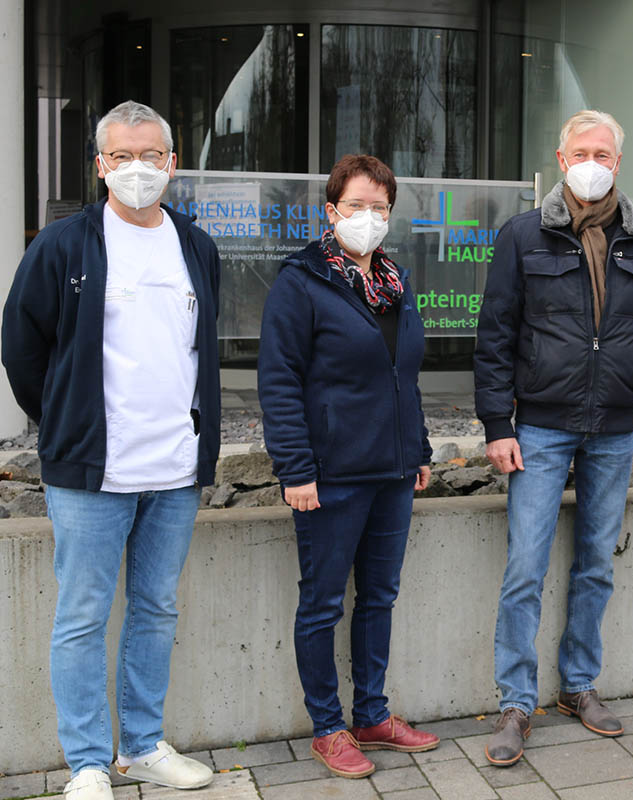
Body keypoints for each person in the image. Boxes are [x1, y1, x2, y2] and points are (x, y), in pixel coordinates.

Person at [1, 100, 219, 800]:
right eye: (120, 157)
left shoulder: (195, 245)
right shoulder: (64, 245)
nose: (136, 169)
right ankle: (89, 762)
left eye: (149, 155)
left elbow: (199, 352)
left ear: (171, 163)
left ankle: (144, 745)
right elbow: (21, 344)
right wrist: (65, 421)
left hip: (176, 471)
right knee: (83, 616)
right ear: (100, 166)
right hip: (92, 471)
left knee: (156, 609)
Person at [474, 109, 633, 766]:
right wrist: (497, 425)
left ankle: (580, 685)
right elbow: (495, 337)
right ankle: (515, 700)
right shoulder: (521, 236)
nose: (593, 162)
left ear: (618, 163)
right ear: (561, 161)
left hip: (616, 428)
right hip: (539, 426)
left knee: (595, 564)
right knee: (525, 569)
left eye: (605, 153)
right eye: (581, 151)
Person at [258, 154, 439, 780]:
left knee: (380, 598)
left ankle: (372, 714)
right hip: (330, 476)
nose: (369, 218)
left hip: (392, 474)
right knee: (322, 604)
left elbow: (405, 377)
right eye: (356, 206)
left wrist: (417, 450)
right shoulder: (301, 281)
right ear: (329, 211)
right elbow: (279, 382)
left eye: (380, 208)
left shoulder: (393, 279)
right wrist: (295, 470)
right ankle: (329, 728)